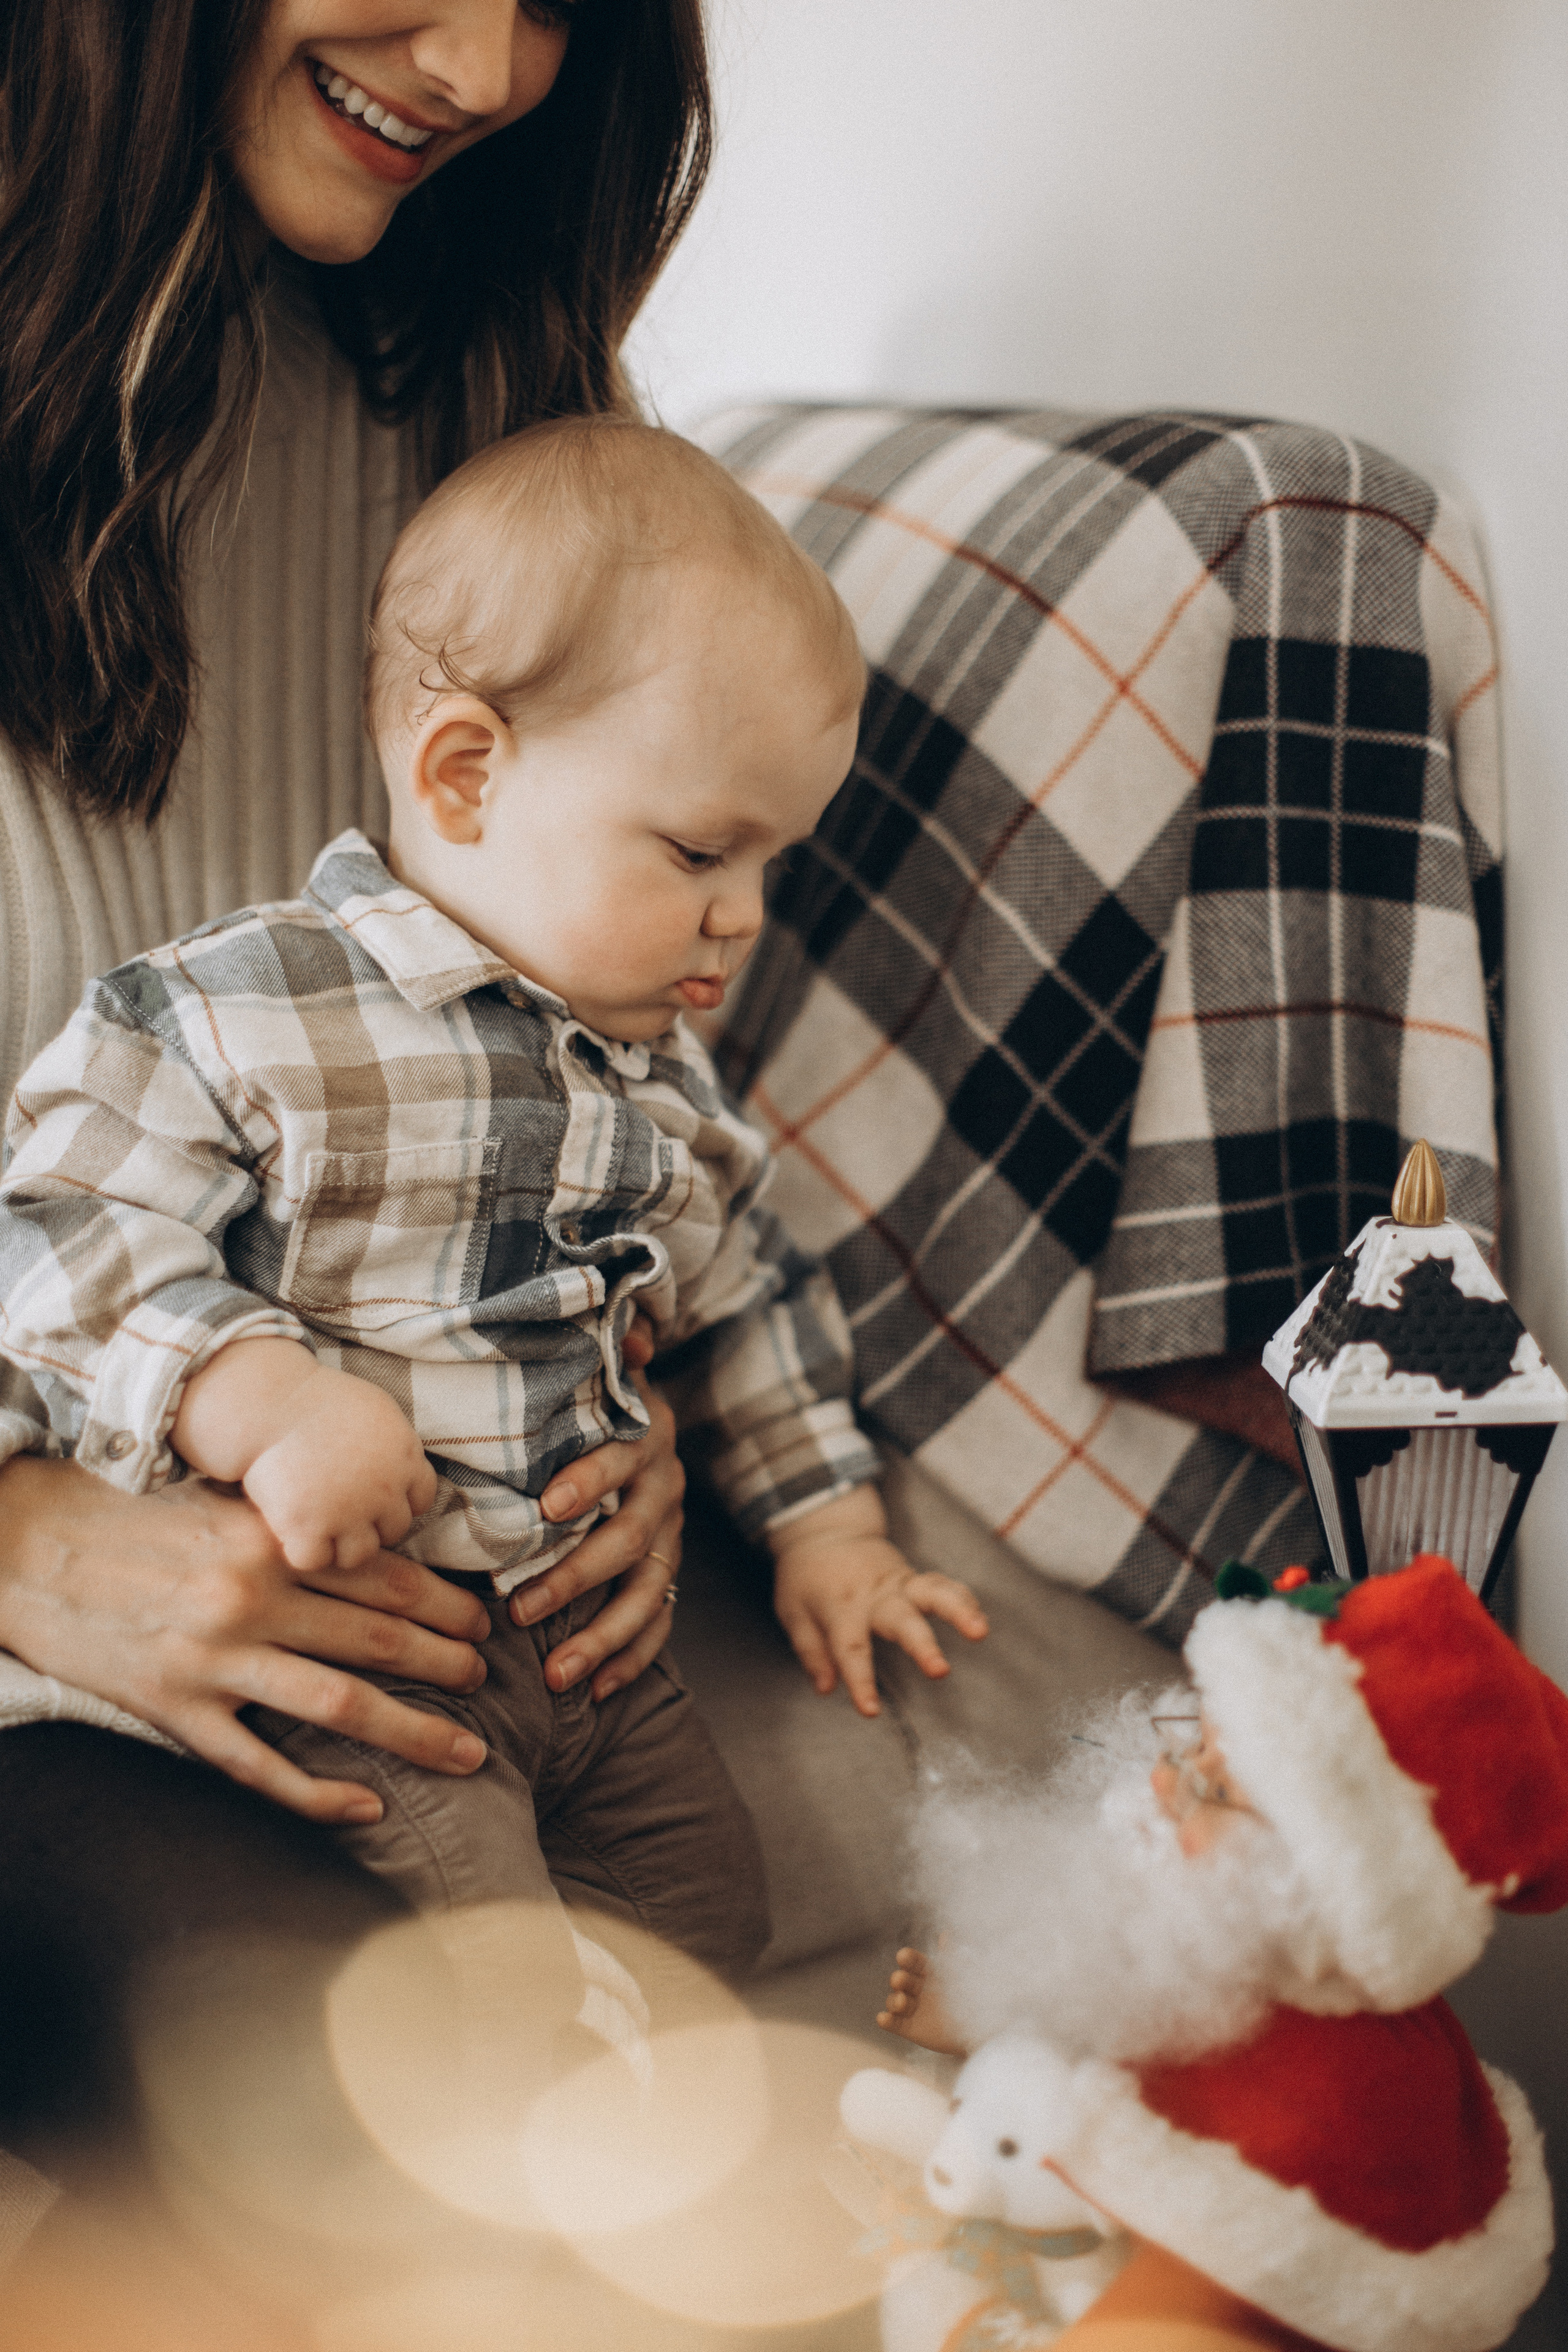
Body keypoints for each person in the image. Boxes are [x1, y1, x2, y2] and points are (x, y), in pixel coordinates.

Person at [0, 0, 722, 2194]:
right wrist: (31, 1551)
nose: (496, 64)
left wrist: (610, 1386)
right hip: (70, 1653)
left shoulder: (507, 433)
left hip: (415, 1608)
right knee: (354, 2134)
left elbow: (607, 1075)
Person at [0, 418, 987, 1967]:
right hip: (366, 1651)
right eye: (698, 851)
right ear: (464, 773)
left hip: (592, 1655)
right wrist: (258, 1396)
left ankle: (628, 2135)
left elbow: (750, 1299)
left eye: (767, 866)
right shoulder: (249, 1005)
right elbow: (62, 1224)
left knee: (704, 1916)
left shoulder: (662, 1078)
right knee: (468, 1974)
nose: (738, 919)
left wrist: (828, 1529)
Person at [868, 1556, 1568, 2352]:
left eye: (1222, 1790)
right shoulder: (1227, 1966)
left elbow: (1171, 2317)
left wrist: (959, 2322)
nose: (1166, 1786)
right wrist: (999, 2040)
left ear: (1326, 1881)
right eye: (1190, 1745)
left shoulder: (1331, 2111)